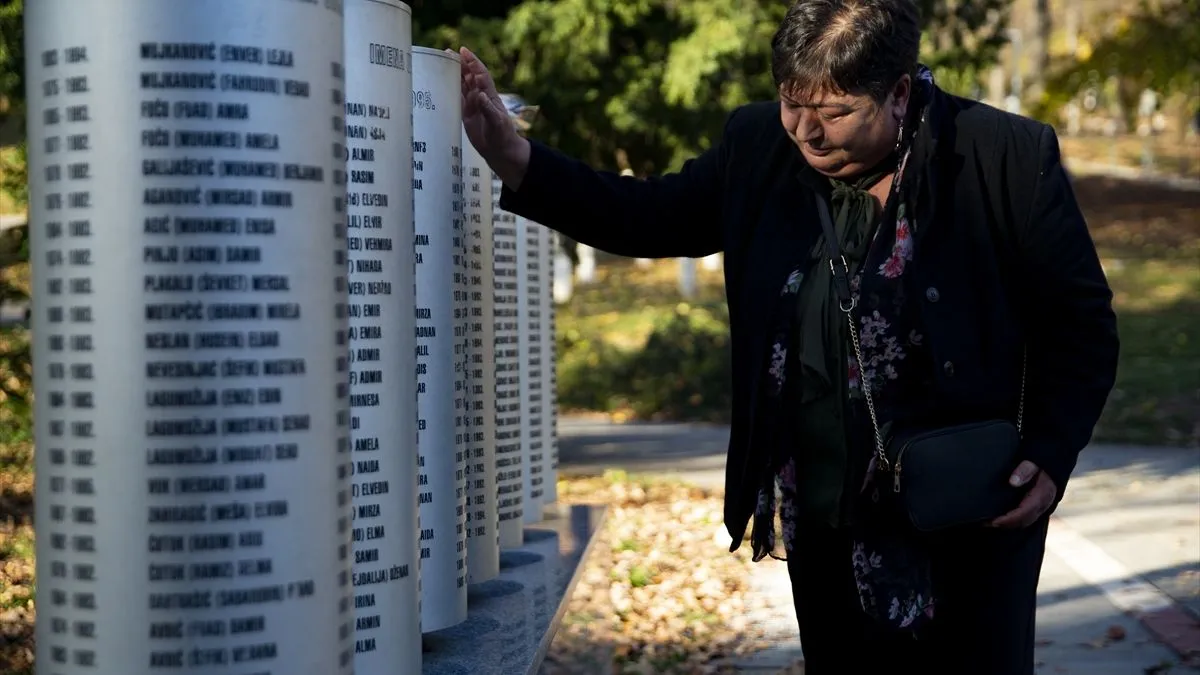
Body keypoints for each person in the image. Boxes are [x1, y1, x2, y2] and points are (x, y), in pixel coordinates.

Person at [460, 0, 1120, 672]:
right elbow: (645, 216)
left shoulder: (1003, 156)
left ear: (897, 92)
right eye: (790, 101)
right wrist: (512, 153)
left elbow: (1081, 323)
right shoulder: (759, 148)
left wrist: (1051, 447)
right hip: (823, 516)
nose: (806, 130)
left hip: (967, 516)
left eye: (834, 112)